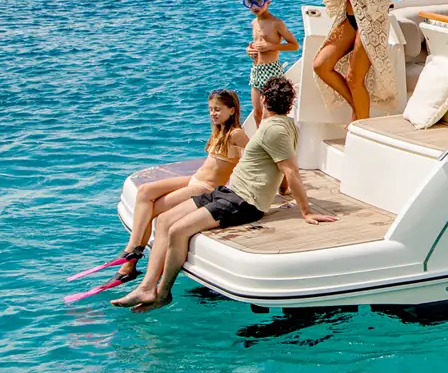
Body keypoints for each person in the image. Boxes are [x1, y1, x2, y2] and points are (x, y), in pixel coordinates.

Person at [114, 76, 333, 312]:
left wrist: (306, 211)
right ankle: (146, 286)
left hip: (243, 202)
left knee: (178, 230)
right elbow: (278, 167)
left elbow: (290, 170)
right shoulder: (278, 125)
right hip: (229, 192)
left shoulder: (275, 130)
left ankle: (162, 292)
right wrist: (282, 189)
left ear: (264, 99)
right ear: (289, 104)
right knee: (165, 219)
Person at [114, 90, 248, 280]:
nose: (213, 113)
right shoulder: (218, 130)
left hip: (205, 188)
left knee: (154, 209)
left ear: (232, 110)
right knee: (145, 191)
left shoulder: (236, 134)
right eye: (211, 109)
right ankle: (133, 248)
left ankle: (130, 262)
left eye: (218, 109)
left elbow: (254, 157)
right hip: (195, 179)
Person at [243, 0, 299, 124]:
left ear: (268, 1)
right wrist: (250, 50)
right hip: (256, 70)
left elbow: (294, 46)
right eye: (250, 2)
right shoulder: (254, 23)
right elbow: (257, 45)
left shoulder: (276, 23)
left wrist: (271, 46)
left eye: (259, 2)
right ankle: (260, 137)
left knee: (270, 113)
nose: (255, 7)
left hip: (271, 70)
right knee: (257, 113)